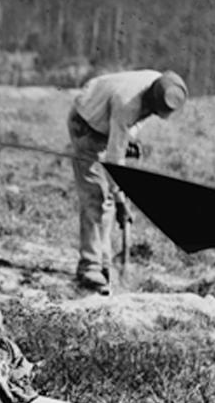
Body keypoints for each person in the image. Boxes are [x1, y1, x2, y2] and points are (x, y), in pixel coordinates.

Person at [67, 69, 188, 293]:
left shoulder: (161, 84)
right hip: (85, 124)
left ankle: (104, 262)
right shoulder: (127, 103)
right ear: (151, 100)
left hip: (106, 124)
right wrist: (122, 197)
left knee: (108, 202)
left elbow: (126, 130)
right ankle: (89, 266)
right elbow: (115, 162)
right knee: (95, 195)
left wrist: (127, 140)